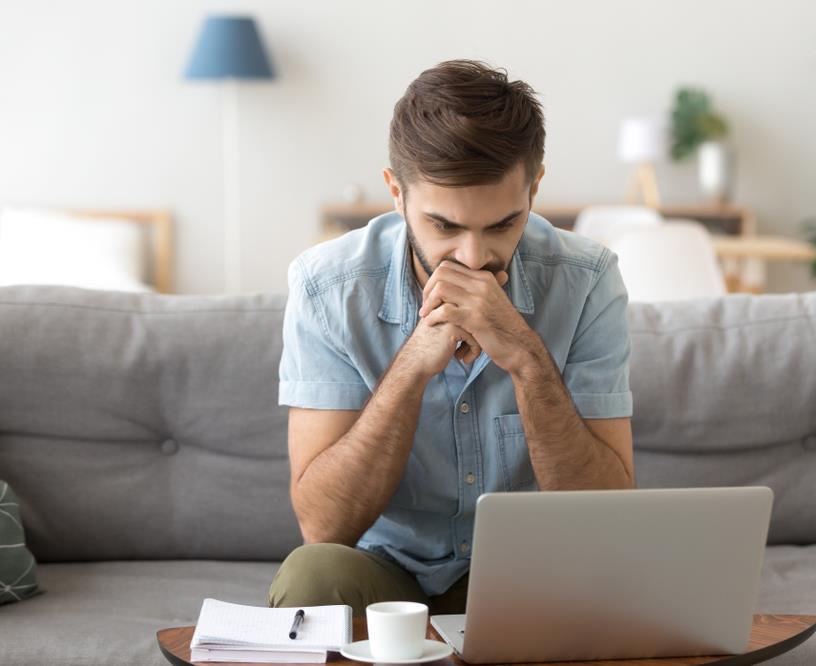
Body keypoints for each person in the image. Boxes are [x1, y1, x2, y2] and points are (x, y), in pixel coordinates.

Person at [268, 59, 634, 616]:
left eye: (501, 224)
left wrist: (527, 360)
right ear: (397, 193)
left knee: (604, 585)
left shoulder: (586, 282)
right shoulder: (327, 288)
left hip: (526, 576)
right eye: (444, 226)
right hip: (385, 572)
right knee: (312, 575)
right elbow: (323, 526)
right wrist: (413, 364)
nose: (473, 258)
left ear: (534, 190)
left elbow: (608, 517)